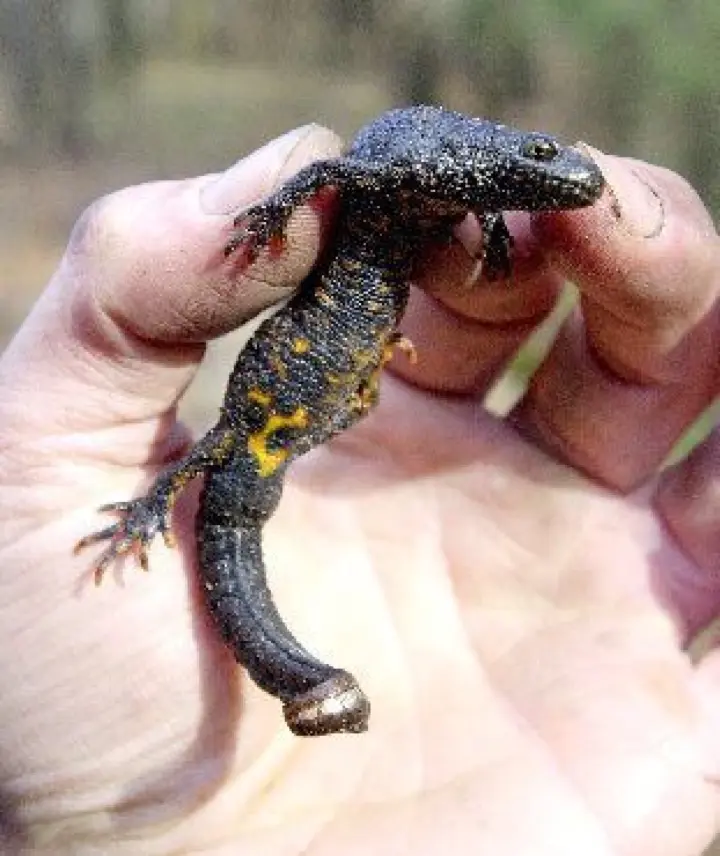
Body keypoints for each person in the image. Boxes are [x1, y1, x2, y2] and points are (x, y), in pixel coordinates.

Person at [0, 122, 718, 855]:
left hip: (343, 358)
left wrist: (493, 236)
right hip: (310, 371)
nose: (560, 179)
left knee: (242, 451)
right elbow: (318, 179)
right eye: (538, 161)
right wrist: (276, 213)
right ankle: (250, 627)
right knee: (228, 456)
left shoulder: (469, 191)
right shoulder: (411, 171)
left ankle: (297, 672)